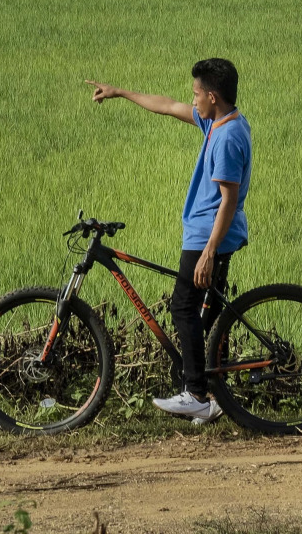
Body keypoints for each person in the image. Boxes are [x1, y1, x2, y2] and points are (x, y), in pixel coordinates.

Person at [87, 58, 252, 425]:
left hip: (208, 234)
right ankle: (211, 395)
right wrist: (119, 92)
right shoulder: (219, 121)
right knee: (202, 319)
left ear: (212, 95)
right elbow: (167, 105)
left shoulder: (225, 137)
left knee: (181, 307)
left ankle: (194, 393)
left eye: (196, 94)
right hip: (209, 232)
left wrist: (208, 251)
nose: (191, 101)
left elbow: (228, 200)